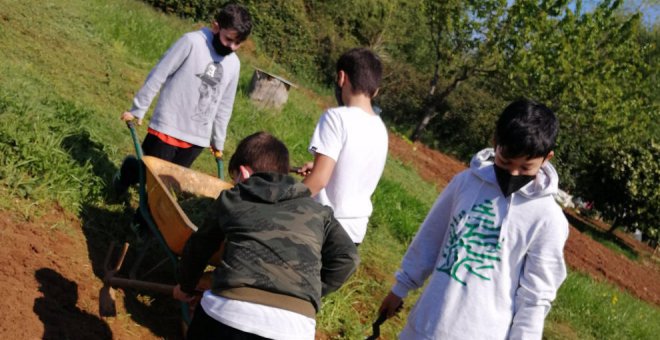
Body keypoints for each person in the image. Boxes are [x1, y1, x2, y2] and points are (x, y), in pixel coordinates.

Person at [378, 99, 569, 339]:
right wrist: (400, 288)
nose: (513, 173)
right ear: (495, 143)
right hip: (426, 326)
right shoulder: (465, 183)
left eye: (526, 167)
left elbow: (535, 296)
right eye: (506, 162)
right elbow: (429, 239)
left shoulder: (547, 218)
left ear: (546, 158)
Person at [173, 131, 359, 340]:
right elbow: (348, 258)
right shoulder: (319, 212)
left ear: (243, 174)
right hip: (296, 329)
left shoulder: (234, 197)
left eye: (234, 179)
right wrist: (310, 291)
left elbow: (200, 246)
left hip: (229, 315)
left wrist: (185, 286)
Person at [113, 3, 252, 193]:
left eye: (238, 44)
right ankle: (132, 180)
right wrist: (138, 109)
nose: (231, 47)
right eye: (228, 40)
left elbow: (224, 105)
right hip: (168, 125)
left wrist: (217, 140)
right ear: (216, 26)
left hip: (197, 137)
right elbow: (159, 74)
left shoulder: (233, 64)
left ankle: (148, 215)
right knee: (151, 176)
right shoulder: (191, 42)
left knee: (168, 184)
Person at [297, 47, 388, 245]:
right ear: (376, 90)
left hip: (323, 227)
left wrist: (283, 202)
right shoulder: (380, 128)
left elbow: (319, 180)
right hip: (353, 235)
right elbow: (356, 169)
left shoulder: (336, 118)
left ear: (341, 77)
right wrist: (324, 166)